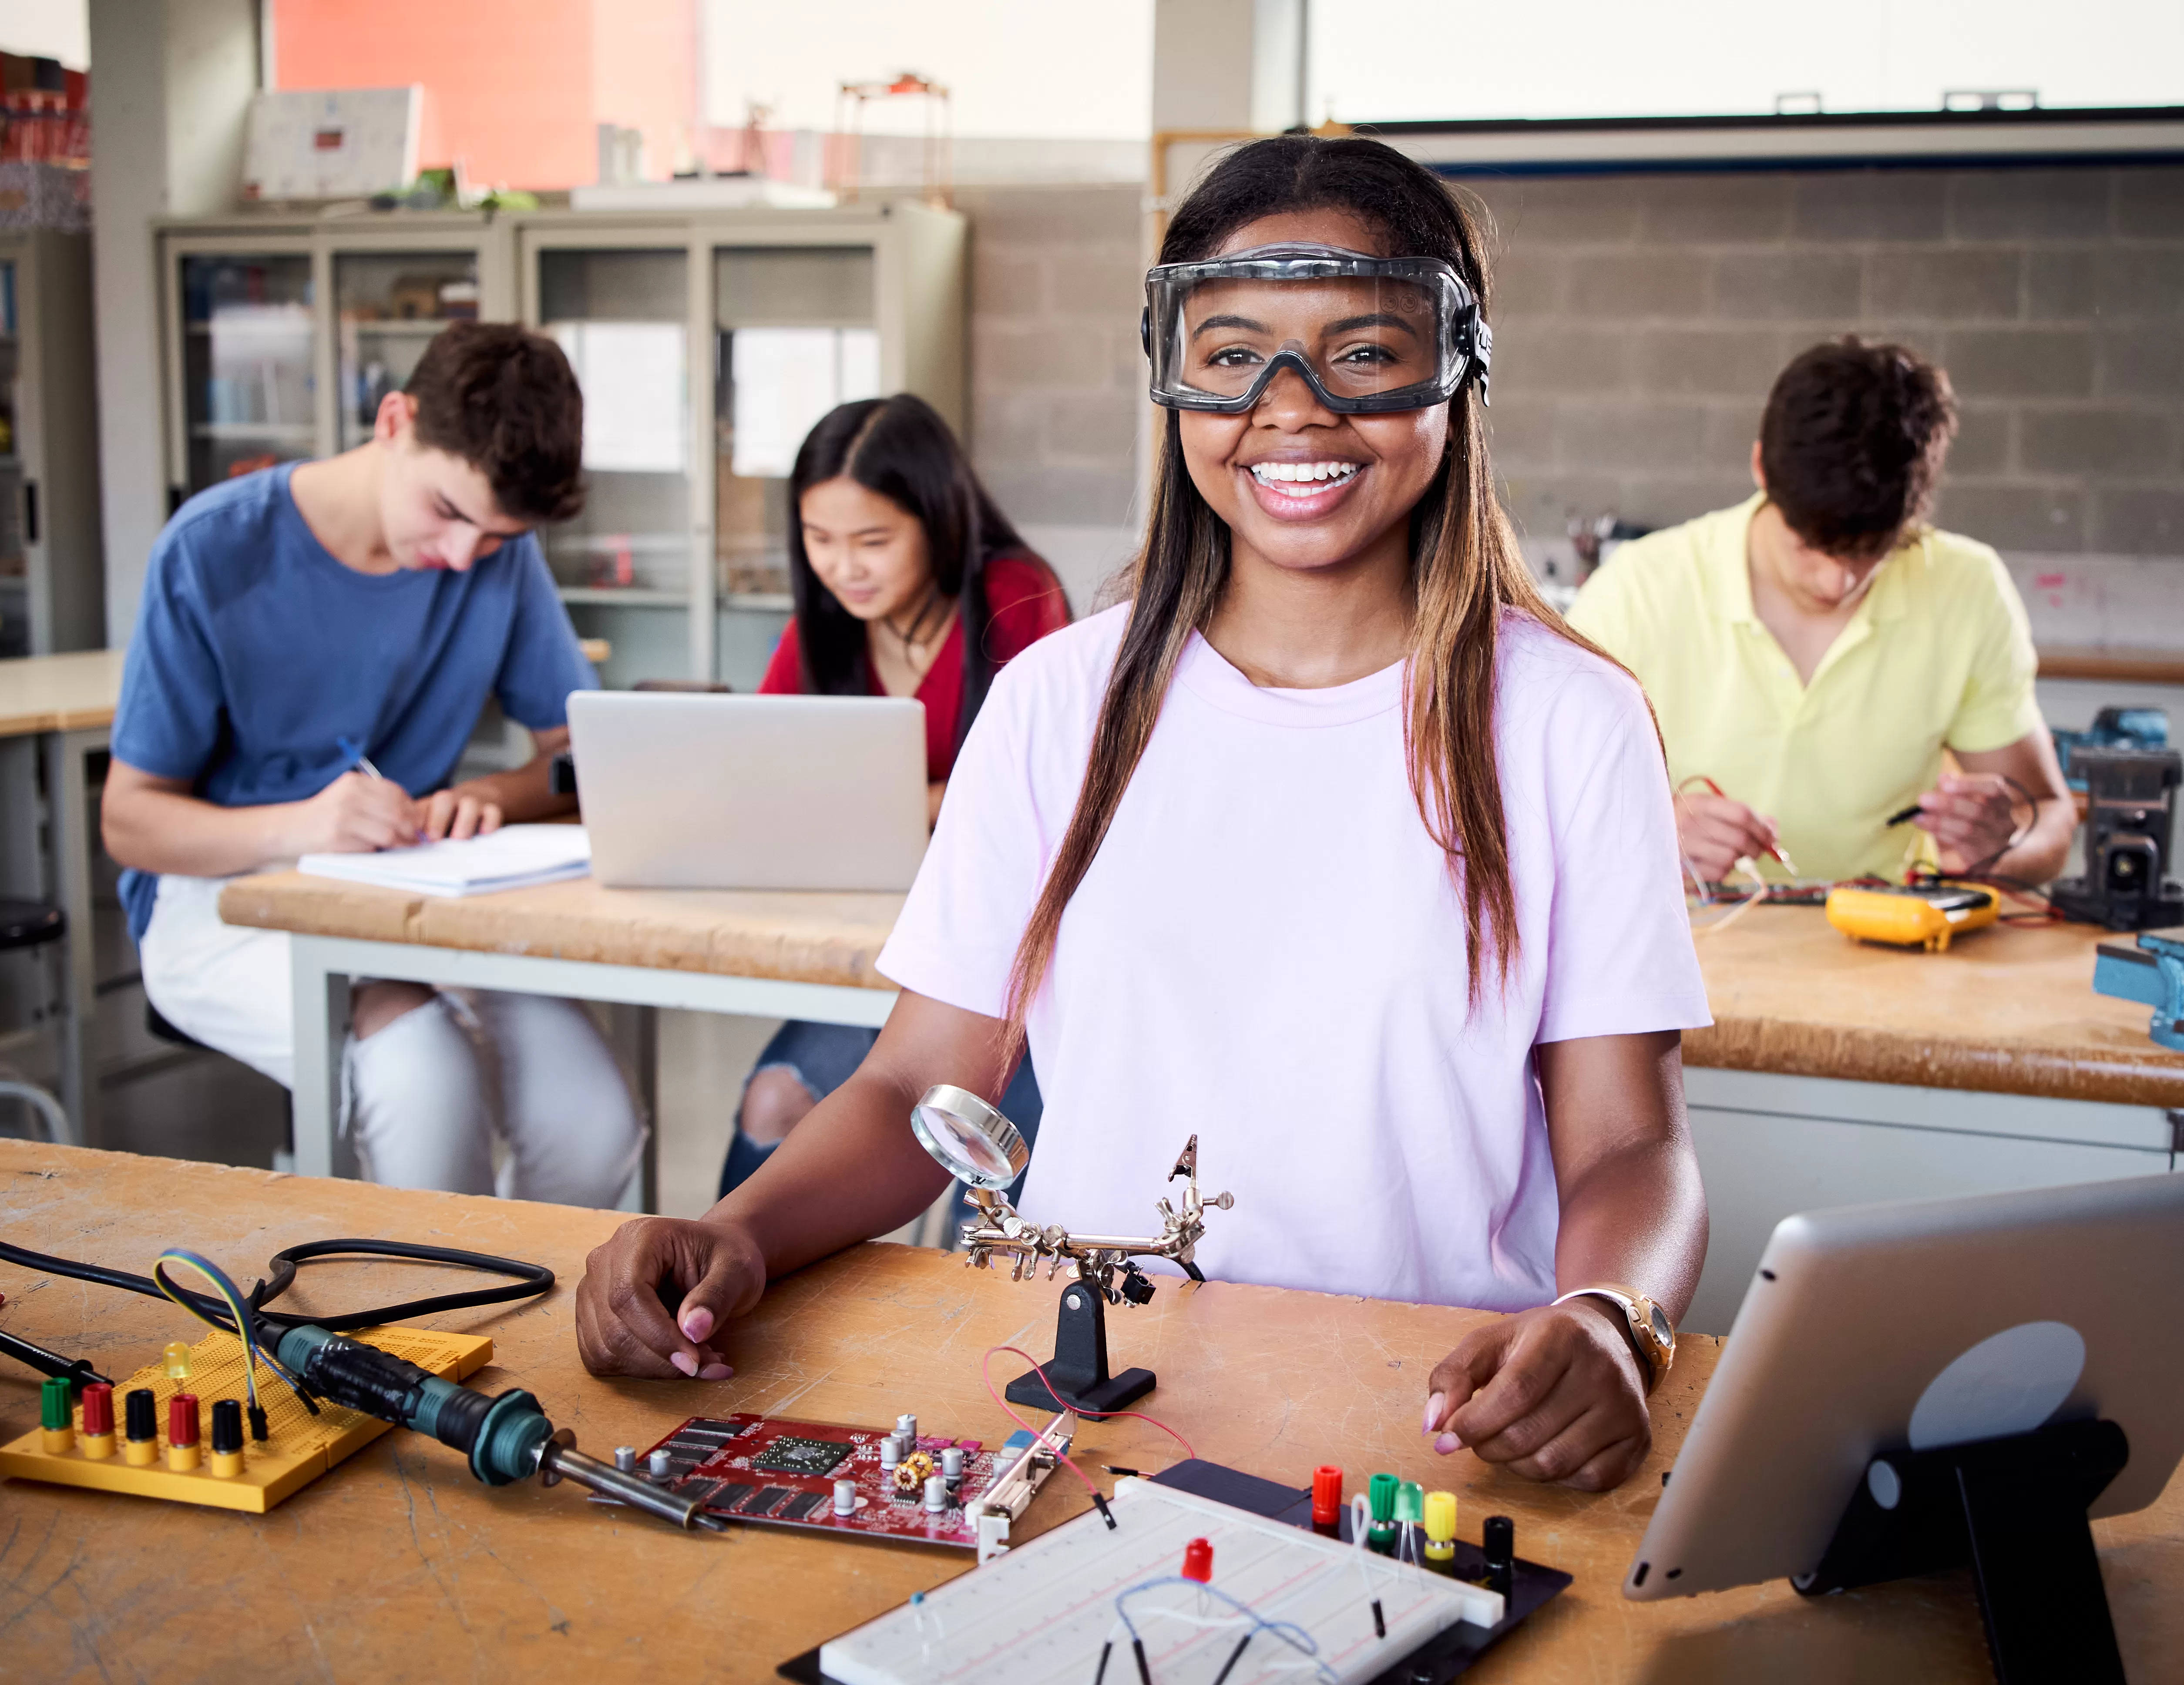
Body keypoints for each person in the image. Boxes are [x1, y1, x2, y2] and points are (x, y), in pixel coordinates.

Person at [574, 134, 1711, 1492]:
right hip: (1088, 1411)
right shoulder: (1060, 701)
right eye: (1231, 355)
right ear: (1172, 377)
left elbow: (1630, 1140)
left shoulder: (1567, 719)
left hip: (1429, 1418)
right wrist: (739, 1232)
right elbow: (914, 1084)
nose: (1290, 408)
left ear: (1458, 364)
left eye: (1363, 351)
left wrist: (1607, 1317)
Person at [101, 322, 642, 1204]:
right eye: (450, 513)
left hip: (421, 883)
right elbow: (130, 821)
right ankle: (438, 1325)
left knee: (593, 1120)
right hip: (225, 889)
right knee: (422, 1072)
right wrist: (306, 824)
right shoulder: (213, 548)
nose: (466, 556)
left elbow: (581, 761)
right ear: (394, 420)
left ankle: (541, 1316)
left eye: (499, 538)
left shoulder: (496, 555)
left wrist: (490, 797)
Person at [1569, 338, 2075, 891]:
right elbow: (1523, 814)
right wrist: (1642, 835)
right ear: (1761, 466)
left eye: (1869, 552)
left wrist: (2000, 847)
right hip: (1684, 953)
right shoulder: (1637, 589)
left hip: (1880, 950)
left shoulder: (1966, 588)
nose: (1836, 582)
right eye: (1809, 546)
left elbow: (2050, 818)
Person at [724, 394, 1070, 1196]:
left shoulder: (1013, 594)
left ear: (939, 523)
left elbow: (1041, 792)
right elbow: (761, 774)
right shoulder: (824, 622)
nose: (845, 567)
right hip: (866, 945)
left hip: (999, 962)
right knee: (775, 1099)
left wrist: (882, 803)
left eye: (873, 541)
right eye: (820, 540)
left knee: (986, 1160)